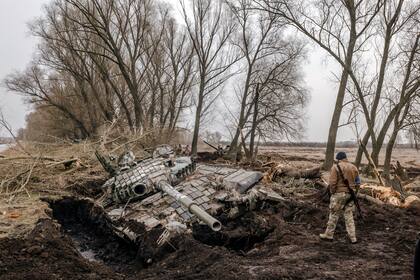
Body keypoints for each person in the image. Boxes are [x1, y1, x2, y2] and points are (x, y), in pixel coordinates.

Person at [320, 151, 361, 244]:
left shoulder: (335, 167)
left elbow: (332, 183)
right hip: (351, 195)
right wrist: (355, 192)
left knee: (334, 214)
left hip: (339, 194)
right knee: (349, 216)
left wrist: (332, 193)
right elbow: (358, 182)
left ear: (338, 159)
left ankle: (329, 235)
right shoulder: (354, 167)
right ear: (345, 158)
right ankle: (353, 238)